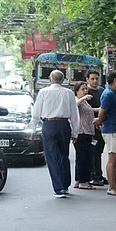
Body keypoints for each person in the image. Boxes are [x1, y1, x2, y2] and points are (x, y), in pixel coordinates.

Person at [30, 69, 79, 197]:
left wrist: (33, 128)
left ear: (50, 79)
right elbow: (74, 115)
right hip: (64, 125)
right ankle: (65, 184)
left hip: (49, 125)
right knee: (64, 155)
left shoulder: (43, 92)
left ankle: (59, 188)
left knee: (52, 156)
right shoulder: (68, 93)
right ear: (62, 80)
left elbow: (36, 112)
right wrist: (75, 132)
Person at [94, 70, 116, 197]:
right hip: (112, 130)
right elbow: (102, 112)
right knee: (112, 159)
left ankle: (114, 185)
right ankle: (111, 187)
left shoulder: (115, 93)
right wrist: (99, 121)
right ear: (115, 80)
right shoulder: (108, 94)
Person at [84, 71, 106, 186]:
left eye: (97, 78)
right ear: (87, 79)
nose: (95, 81)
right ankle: (93, 175)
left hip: (102, 124)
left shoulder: (102, 91)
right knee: (92, 151)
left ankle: (99, 173)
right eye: (92, 79)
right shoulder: (85, 92)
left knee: (99, 151)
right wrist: (99, 110)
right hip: (90, 125)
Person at [73, 83, 96, 190]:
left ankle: (78, 179)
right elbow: (74, 106)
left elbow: (90, 111)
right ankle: (83, 181)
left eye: (86, 89)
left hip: (87, 131)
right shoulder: (76, 100)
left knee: (82, 157)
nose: (85, 91)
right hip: (81, 132)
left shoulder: (85, 102)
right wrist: (83, 98)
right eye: (83, 89)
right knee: (83, 157)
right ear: (77, 91)